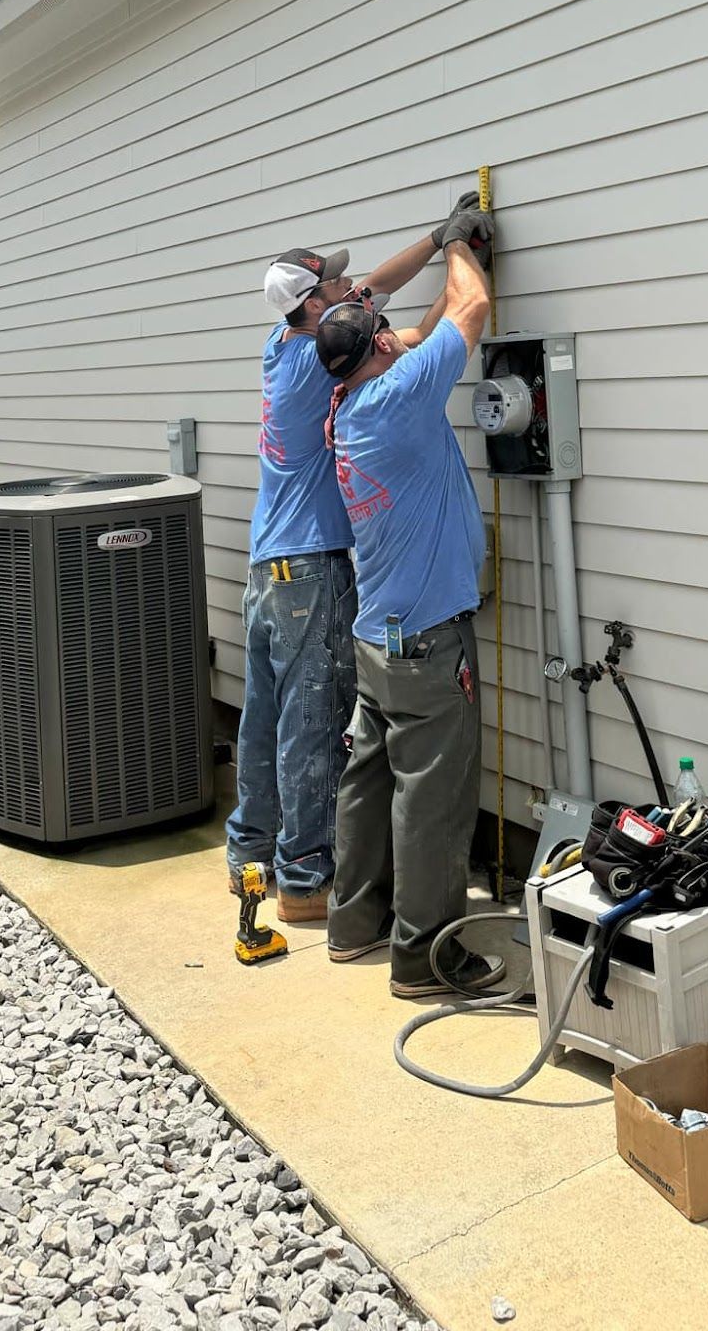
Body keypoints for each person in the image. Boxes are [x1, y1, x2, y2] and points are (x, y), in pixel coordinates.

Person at [226, 197, 486, 924]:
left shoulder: (285, 348)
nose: (353, 288)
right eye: (335, 285)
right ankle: (304, 881)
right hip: (310, 569)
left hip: (267, 567)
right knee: (310, 724)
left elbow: (388, 317)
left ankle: (250, 855)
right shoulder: (320, 364)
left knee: (265, 717)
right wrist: (457, 256)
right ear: (312, 307)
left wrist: (440, 239)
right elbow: (409, 328)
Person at [315, 216, 500, 999]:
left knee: (368, 781)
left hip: (377, 639)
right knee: (432, 799)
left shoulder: (350, 406)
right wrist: (459, 244)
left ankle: (354, 923)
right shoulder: (396, 402)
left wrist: (408, 320)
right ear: (379, 350)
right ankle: (425, 960)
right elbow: (471, 310)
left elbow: (418, 343)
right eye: (387, 332)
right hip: (426, 643)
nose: (395, 335)